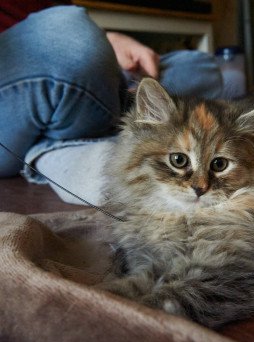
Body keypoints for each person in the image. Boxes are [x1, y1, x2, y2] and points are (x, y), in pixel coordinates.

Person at [0, 3, 226, 205]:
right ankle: (51, 153)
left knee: (200, 68)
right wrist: (82, 44)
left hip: (67, 65)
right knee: (71, 37)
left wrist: (107, 42)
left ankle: (87, 133)